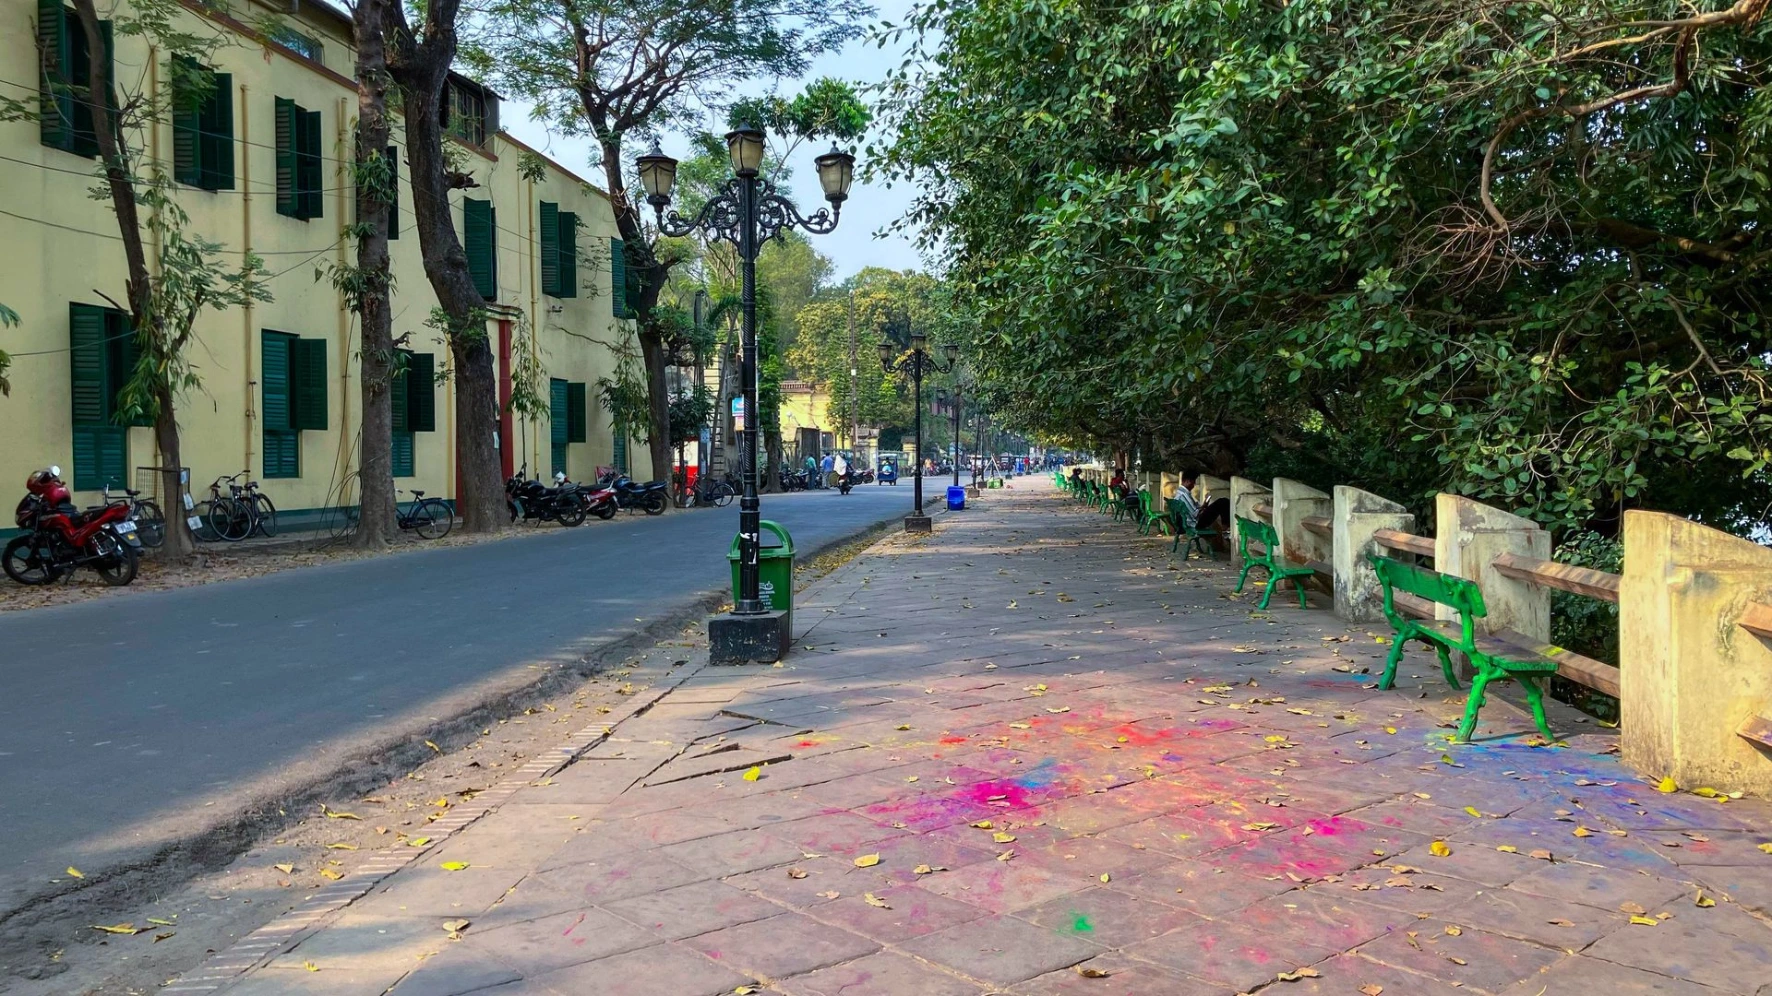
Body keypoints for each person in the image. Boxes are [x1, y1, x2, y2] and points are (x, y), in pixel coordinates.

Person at [1179, 470, 1233, 549]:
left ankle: (1225, 529)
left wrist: (1204, 504)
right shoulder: (1184, 495)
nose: (1193, 485)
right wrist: (1203, 508)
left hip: (1190, 521)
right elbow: (1194, 513)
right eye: (1193, 483)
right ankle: (1226, 529)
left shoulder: (1181, 493)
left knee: (1219, 504)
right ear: (1187, 481)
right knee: (1223, 502)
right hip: (1195, 523)